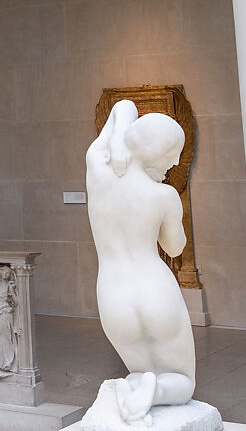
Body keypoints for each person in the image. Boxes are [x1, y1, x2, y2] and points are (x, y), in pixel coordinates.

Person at [85, 99, 195, 424]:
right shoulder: (164, 196)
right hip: (155, 289)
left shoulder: (97, 167)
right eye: (172, 154)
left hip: (112, 296)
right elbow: (175, 248)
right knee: (182, 381)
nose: (174, 162)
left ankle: (137, 391)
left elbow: (123, 106)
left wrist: (120, 136)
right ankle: (156, 392)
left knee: (139, 370)